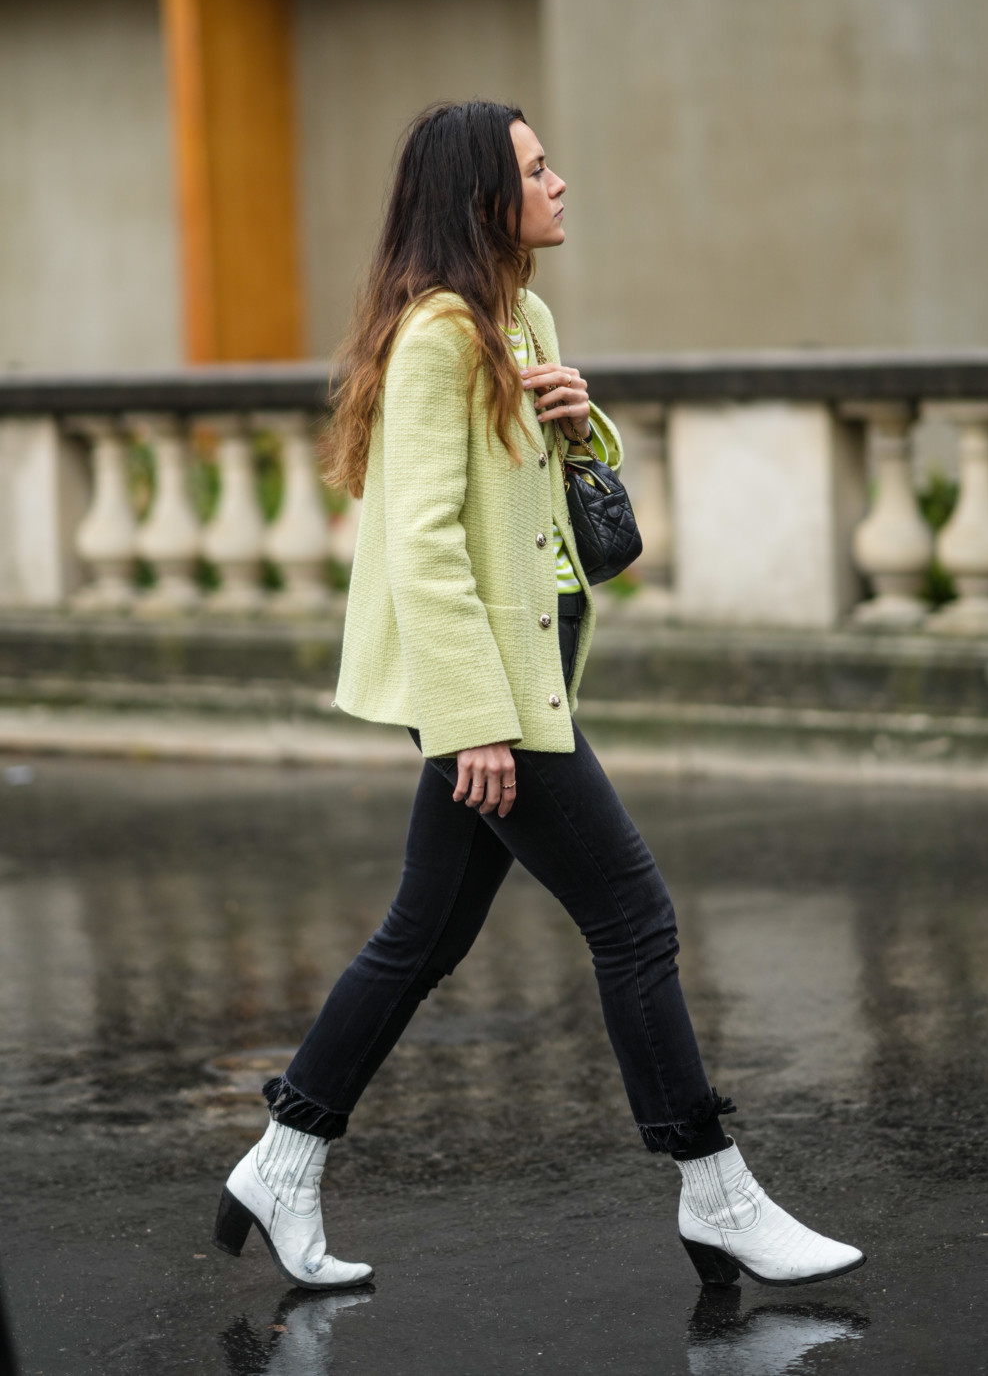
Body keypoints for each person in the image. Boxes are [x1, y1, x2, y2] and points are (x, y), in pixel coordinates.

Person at [213, 100, 865, 1293]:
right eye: (535, 168)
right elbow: (422, 543)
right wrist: (474, 722)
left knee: (423, 935)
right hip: (495, 689)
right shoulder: (440, 337)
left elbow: (550, 519)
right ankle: (717, 1191)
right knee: (634, 919)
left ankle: (285, 1158)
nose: (560, 182)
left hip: (533, 664)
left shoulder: (523, 319)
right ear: (482, 199)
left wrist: (578, 423)